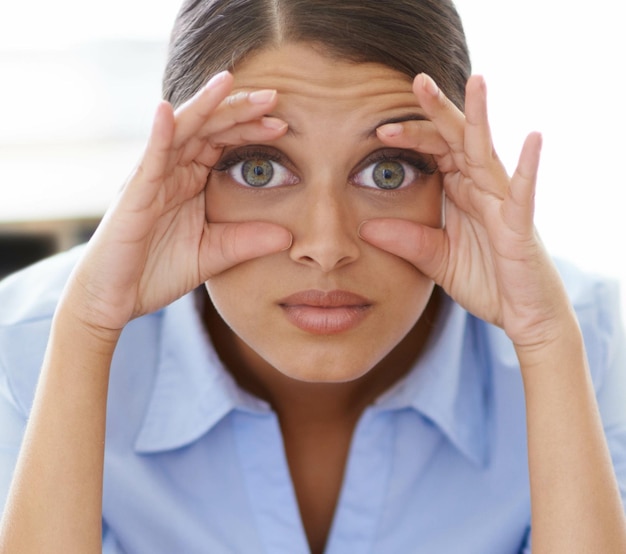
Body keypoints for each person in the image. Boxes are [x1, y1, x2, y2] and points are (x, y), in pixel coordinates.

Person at [0, 0, 625, 552]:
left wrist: (546, 342)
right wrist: (87, 330)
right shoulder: (21, 351)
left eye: (388, 172)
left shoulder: (594, 347)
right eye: (259, 170)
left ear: (458, 175)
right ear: (178, 170)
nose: (327, 247)